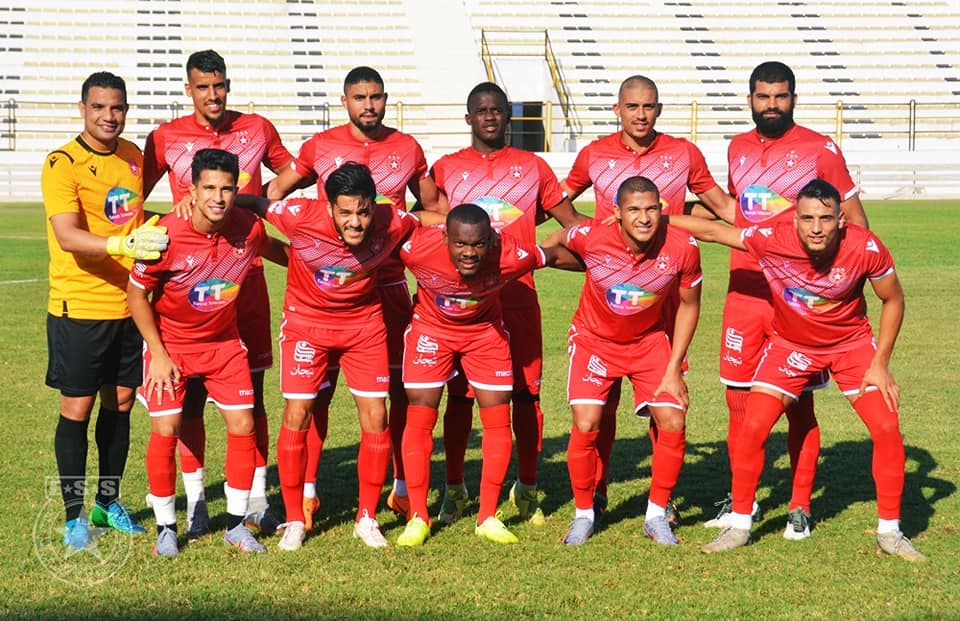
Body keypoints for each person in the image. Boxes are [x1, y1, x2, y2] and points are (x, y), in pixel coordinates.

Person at [670, 179, 924, 562]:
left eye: (826, 218)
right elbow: (714, 231)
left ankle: (890, 533)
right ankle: (739, 525)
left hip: (851, 345)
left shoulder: (865, 247)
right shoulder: (772, 238)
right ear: (795, 220)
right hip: (792, 346)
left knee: (886, 427)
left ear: (841, 220)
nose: (816, 228)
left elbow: (893, 299)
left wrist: (881, 363)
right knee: (753, 426)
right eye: (807, 218)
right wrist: (656, 219)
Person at [698, 61, 870, 535]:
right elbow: (739, 212)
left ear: (794, 98)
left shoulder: (820, 149)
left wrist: (835, 288)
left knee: (800, 405)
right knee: (738, 401)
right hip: (745, 294)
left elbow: (856, 224)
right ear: (749, 99)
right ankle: (743, 501)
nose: (771, 105)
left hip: (797, 301)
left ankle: (799, 504)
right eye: (763, 96)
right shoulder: (736, 147)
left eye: (780, 96)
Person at [266, 66, 439, 528]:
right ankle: (307, 493)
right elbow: (275, 192)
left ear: (385, 99)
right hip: (327, 290)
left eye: (376, 97)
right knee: (315, 394)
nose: (369, 105)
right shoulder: (320, 147)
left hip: (387, 285)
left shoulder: (407, 148)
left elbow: (431, 207)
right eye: (360, 97)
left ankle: (400, 489)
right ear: (344, 101)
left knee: (395, 391)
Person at [236, 162, 438, 551]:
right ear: (329, 207)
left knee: (376, 415)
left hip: (364, 326)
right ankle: (295, 518)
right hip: (306, 325)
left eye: (363, 211)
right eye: (345, 212)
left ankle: (367, 517)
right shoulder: (298, 215)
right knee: (298, 412)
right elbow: (256, 203)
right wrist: (199, 203)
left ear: (373, 206)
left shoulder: (390, 220)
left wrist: (468, 220)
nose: (356, 222)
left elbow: (421, 218)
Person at [559, 75, 732, 518]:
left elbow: (721, 207)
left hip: (664, 290)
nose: (640, 114)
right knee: (602, 404)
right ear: (617, 110)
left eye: (648, 106)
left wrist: (782, 229)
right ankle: (597, 490)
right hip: (611, 290)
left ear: (659, 109)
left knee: (664, 401)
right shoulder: (594, 154)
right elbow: (556, 199)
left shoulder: (683, 153)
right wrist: (589, 236)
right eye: (632, 106)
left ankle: (663, 499)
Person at [143, 49, 294, 538]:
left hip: (244, 281)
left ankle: (257, 500)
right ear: (188, 89)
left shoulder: (257, 128)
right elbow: (135, 197)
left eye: (220, 85)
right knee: (186, 404)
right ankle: (194, 504)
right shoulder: (165, 137)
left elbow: (293, 172)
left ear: (228, 84)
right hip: (189, 280)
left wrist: (254, 201)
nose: (213, 95)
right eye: (203, 87)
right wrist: (163, 226)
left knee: (252, 399)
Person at [428, 81, 588, 527]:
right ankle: (455, 488)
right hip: (466, 306)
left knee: (526, 393)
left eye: (497, 110)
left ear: (508, 116)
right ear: (469, 118)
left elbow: (571, 222)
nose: (490, 117)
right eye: (481, 111)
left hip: (519, 298)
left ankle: (528, 487)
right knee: (460, 397)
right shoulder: (446, 169)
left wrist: (613, 241)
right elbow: (426, 225)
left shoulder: (532, 167)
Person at [394, 203, 579, 547]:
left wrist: (610, 265)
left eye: (478, 244)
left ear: (492, 240)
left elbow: (553, 255)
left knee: (497, 419)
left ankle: (487, 517)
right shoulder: (416, 249)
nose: (469, 253)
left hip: (485, 335)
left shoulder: (510, 254)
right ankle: (418, 516)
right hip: (431, 331)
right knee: (420, 416)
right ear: (445, 238)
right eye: (460, 244)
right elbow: (380, 237)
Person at [129, 149, 279, 557]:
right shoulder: (164, 235)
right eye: (209, 188)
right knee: (166, 429)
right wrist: (158, 353)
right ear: (191, 191)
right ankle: (166, 528)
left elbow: (278, 251)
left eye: (227, 188)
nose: (218, 197)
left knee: (243, 424)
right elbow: (136, 295)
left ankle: (236, 525)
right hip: (171, 346)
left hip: (224, 345)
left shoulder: (249, 229)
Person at [42, 71, 166, 550]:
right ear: (82, 109)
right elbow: (67, 235)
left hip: (128, 304)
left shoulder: (133, 156)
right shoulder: (62, 163)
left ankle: (107, 502)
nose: (108, 116)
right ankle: (74, 516)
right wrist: (122, 244)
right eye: (98, 107)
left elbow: (132, 218)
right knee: (77, 406)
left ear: (126, 111)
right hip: (78, 305)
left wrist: (159, 227)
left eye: (117, 108)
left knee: (122, 403)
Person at [548, 176, 701, 545]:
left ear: (662, 209)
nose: (643, 218)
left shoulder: (683, 247)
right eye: (633, 209)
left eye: (650, 209)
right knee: (587, 422)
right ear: (616, 212)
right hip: (594, 341)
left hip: (649, 343)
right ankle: (584, 514)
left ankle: (657, 515)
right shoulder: (591, 236)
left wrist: (674, 368)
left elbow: (689, 306)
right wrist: (571, 261)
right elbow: (556, 241)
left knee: (673, 420)